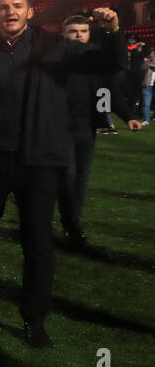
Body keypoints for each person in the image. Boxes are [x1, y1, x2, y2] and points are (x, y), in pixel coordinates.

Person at [0, 0, 125, 347]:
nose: (10, 12)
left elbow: (107, 63)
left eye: (17, 6)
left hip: (39, 158)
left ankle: (34, 318)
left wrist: (110, 33)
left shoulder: (56, 47)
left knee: (37, 241)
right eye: (3, 7)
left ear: (30, 11)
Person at [56, 14, 142, 256]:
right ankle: (71, 227)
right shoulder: (58, 59)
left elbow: (111, 90)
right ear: (63, 34)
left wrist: (128, 116)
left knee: (81, 178)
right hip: (61, 128)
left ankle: (73, 224)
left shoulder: (94, 59)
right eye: (73, 31)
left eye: (83, 31)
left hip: (86, 127)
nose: (78, 36)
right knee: (67, 176)